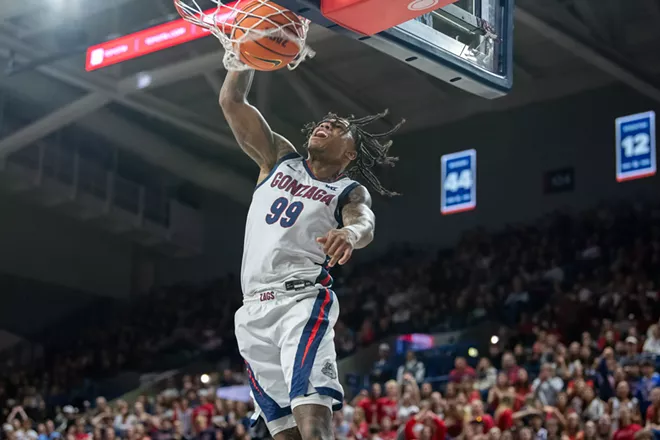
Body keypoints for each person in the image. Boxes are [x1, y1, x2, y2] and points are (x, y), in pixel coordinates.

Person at [220, 69, 404, 440]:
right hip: (252, 312)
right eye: (324, 122)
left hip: (299, 303)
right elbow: (231, 101)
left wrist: (350, 233)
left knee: (313, 425)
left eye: (337, 127)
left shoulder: (349, 191)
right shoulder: (278, 158)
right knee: (283, 433)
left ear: (349, 153)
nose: (326, 124)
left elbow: (363, 221)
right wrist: (242, 53)